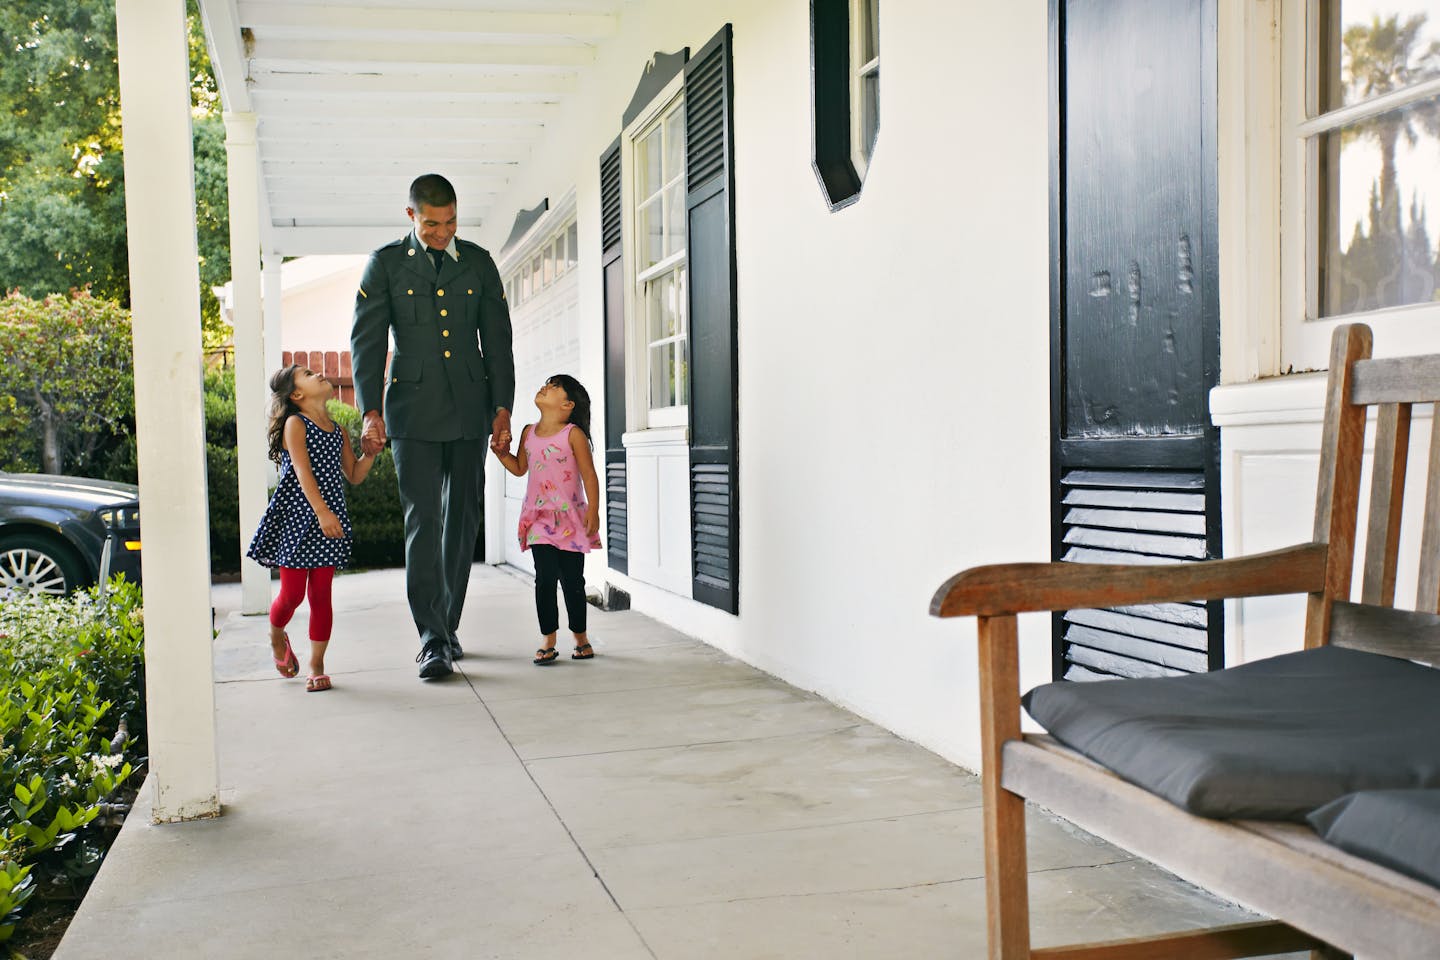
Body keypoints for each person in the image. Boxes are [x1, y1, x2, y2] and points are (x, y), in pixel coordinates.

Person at [351, 173, 516, 680]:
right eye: (431, 224)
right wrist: (370, 410)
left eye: (450, 222)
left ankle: (446, 625)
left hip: (470, 409)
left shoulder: (480, 263)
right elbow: (368, 342)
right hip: (412, 412)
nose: (443, 232)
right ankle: (431, 638)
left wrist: (502, 407)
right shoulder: (385, 264)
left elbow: (498, 342)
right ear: (410, 217)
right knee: (423, 521)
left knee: (462, 521)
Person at [246, 365, 376, 692]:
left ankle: (317, 664)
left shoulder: (338, 430)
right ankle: (276, 635)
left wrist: (370, 453)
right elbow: (303, 473)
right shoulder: (295, 424)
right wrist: (322, 512)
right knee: (293, 594)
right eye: (307, 374)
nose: (318, 374)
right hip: (299, 516)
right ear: (296, 394)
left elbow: (355, 474)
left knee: (321, 595)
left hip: (326, 518)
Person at [492, 375, 602, 665]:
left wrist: (594, 511)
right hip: (539, 519)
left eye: (553, 387)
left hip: (570, 520)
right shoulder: (528, 432)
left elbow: (589, 475)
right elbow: (519, 468)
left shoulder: (573, 434)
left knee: (573, 581)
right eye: (545, 384)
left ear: (567, 404)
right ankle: (548, 640)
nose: (544, 387)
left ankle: (580, 638)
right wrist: (502, 455)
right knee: (544, 579)